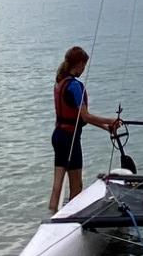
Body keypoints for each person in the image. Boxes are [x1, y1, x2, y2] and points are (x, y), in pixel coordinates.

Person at [50, 45, 118, 212]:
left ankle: (51, 216)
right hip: (70, 139)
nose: (83, 69)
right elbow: (85, 117)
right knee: (76, 186)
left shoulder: (60, 83)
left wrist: (105, 127)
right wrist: (110, 120)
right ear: (79, 64)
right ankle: (71, 219)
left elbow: (78, 118)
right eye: (84, 65)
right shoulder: (75, 86)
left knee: (57, 186)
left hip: (58, 136)